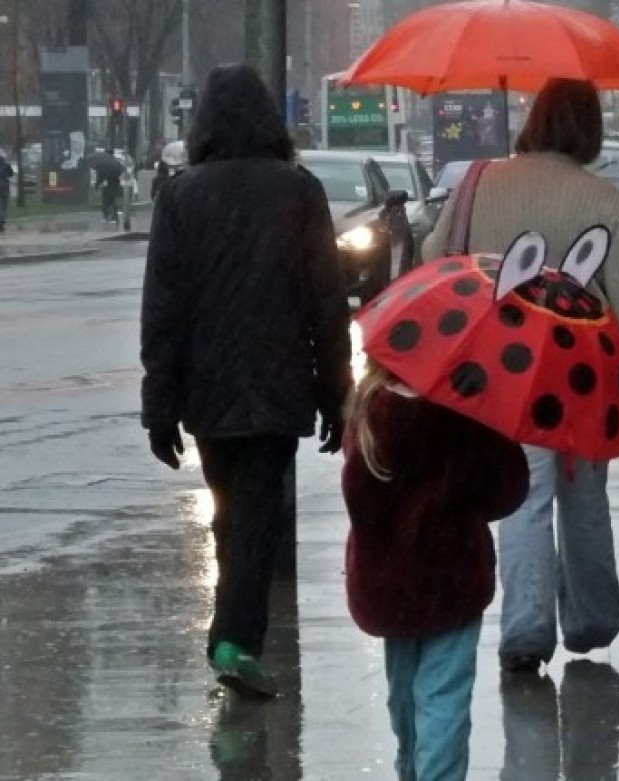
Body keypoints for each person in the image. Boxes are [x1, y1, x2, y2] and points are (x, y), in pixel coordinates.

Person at [420, 78, 619, 675]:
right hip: (580, 376)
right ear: (589, 131)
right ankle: (591, 619)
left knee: (525, 497)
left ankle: (525, 632)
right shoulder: (602, 200)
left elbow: (435, 261)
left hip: (500, 372)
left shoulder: (479, 183)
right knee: (585, 497)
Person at [140, 64, 352, 696]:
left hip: (205, 390)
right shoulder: (299, 191)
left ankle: (230, 638)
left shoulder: (179, 196)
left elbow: (163, 312)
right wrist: (335, 393)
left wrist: (160, 405)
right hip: (278, 382)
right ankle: (234, 642)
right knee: (254, 514)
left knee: (236, 509)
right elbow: (326, 302)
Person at [342, 359, 529, 781]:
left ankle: (411, 769)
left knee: (404, 693)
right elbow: (506, 490)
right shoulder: (464, 413)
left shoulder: (370, 411)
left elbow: (359, 499)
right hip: (454, 578)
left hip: (390, 582)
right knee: (444, 694)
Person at [0, 149, 13, 232]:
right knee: (4, 205)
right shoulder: (6, 164)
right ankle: (1, 222)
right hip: (4, 186)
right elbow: (11, 174)